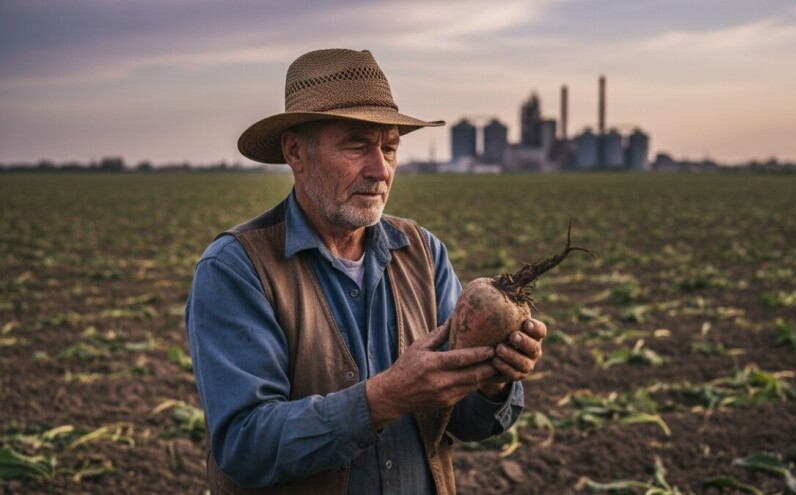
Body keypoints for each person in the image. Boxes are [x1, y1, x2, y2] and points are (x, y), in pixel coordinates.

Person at [185, 48, 547, 495]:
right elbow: (246, 444)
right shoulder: (237, 269)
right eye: (357, 146)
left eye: (390, 147)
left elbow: (465, 422)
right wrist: (385, 398)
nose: (380, 170)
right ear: (296, 151)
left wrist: (491, 381)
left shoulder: (422, 252)